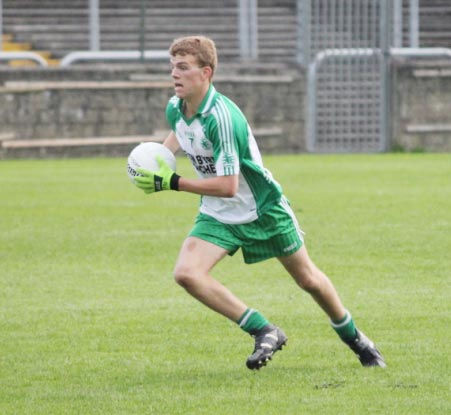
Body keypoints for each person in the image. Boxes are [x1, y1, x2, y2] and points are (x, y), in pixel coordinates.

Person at [133, 35, 385, 370]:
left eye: (183, 67)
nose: (174, 74)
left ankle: (356, 339)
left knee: (308, 279)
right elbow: (180, 133)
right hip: (219, 214)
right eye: (172, 67)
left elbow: (227, 185)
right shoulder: (176, 107)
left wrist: (174, 183)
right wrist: (156, 160)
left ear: (206, 73)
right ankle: (263, 330)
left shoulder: (221, 118)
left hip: (261, 209)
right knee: (187, 274)